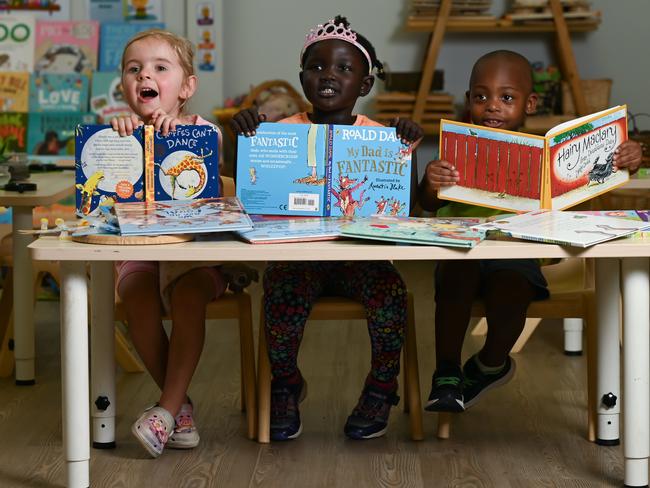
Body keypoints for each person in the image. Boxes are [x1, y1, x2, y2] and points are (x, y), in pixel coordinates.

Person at [418, 50, 643, 414]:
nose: (492, 106)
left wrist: (628, 158)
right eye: (481, 96)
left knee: (512, 293)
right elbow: (426, 204)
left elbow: (603, 174)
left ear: (530, 104)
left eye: (506, 98)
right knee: (454, 283)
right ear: (468, 101)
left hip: (517, 252)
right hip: (464, 249)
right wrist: (431, 182)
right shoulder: (456, 149)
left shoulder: (550, 160)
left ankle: (490, 364)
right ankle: (446, 371)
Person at [231, 15, 423, 441]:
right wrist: (244, 141)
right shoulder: (277, 133)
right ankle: (285, 383)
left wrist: (406, 151)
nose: (328, 76)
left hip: (362, 259)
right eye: (317, 68)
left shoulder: (383, 137)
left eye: (343, 68)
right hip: (299, 259)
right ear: (302, 78)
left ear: (365, 85)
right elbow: (249, 199)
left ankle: (380, 388)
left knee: (391, 297)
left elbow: (405, 210)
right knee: (279, 297)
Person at [111, 29, 227, 458]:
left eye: (161, 67)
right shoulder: (119, 132)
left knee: (188, 297)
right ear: (124, 84)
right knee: (135, 297)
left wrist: (174, 135)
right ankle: (178, 409)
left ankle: (166, 408)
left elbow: (208, 157)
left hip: (193, 255)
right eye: (134, 68)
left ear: (186, 86)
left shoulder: (203, 131)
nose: (146, 74)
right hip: (140, 253)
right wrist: (119, 137)